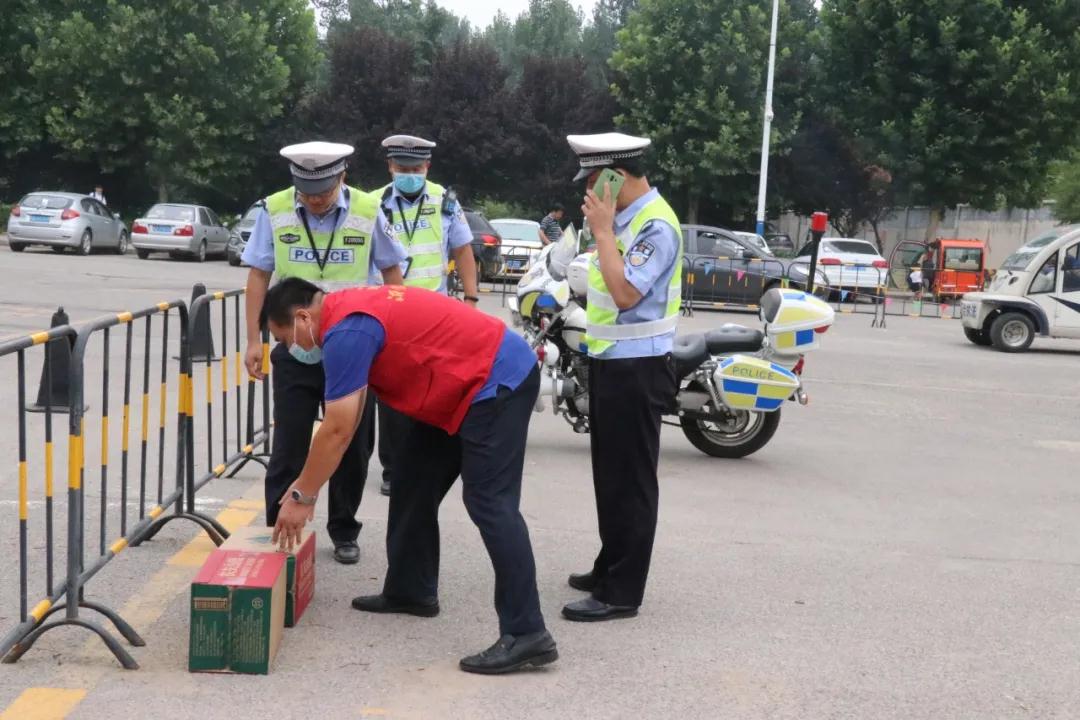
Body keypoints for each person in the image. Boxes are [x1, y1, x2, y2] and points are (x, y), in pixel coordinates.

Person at [265, 278, 557, 675]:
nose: (289, 349)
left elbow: (337, 429)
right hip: (456, 386)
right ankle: (411, 589)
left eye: (285, 339)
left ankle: (527, 632)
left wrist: (303, 495)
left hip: (496, 379)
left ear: (302, 317)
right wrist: (309, 486)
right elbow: (350, 415)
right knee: (412, 477)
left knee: (490, 502)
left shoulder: (347, 331)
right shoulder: (346, 315)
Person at [241, 141, 405, 565]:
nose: (314, 200)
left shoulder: (368, 210)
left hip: (353, 347)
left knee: (352, 444)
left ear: (342, 177)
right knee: (289, 442)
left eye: (323, 192)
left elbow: (392, 274)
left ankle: (344, 529)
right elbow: (258, 275)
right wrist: (254, 339)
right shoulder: (275, 208)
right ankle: (279, 524)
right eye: (307, 192)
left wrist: (392, 337)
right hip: (295, 347)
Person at [561, 132, 682, 622]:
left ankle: (621, 592)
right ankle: (608, 565)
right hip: (612, 359)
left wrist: (603, 232)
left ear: (617, 177)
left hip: (638, 367)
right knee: (610, 477)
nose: (588, 192)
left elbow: (626, 293)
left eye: (593, 181)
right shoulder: (626, 221)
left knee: (630, 483)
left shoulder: (655, 226)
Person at [372, 134, 479, 497]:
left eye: (416, 169)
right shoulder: (374, 203)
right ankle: (392, 468)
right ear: (390, 167)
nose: (409, 175)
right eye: (402, 169)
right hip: (389, 309)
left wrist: (471, 298)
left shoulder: (445, 202)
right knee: (390, 389)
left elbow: (462, 250)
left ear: (428, 167)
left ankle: (425, 462)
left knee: (432, 386)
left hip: (434, 314)